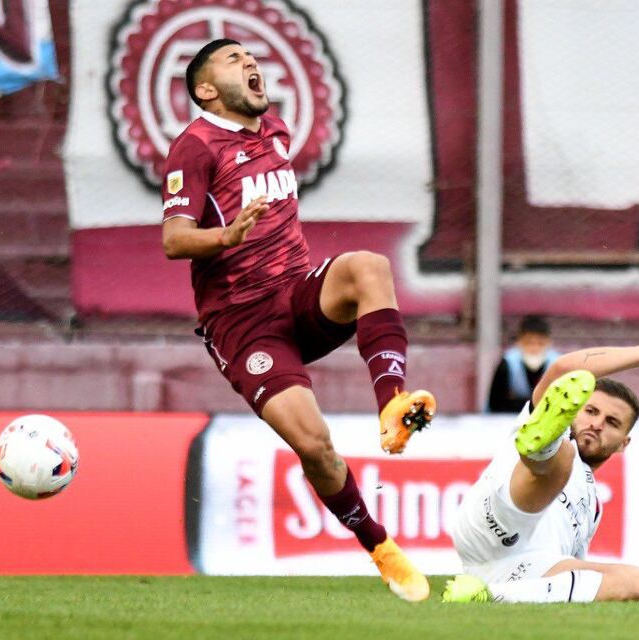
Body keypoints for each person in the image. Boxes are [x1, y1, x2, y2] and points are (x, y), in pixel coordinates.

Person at [160, 39, 435, 601]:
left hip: (296, 292)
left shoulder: (275, 131)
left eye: (252, 57)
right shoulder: (193, 147)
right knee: (315, 446)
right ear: (205, 89)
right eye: (233, 60)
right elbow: (173, 240)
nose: (251, 64)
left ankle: (393, 406)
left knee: (368, 266)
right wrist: (227, 236)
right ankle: (381, 547)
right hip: (242, 322)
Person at [444, 334, 639, 604]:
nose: (597, 424)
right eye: (590, 411)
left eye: (612, 422)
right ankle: (541, 450)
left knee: (635, 580)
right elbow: (561, 370)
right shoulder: (563, 438)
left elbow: (574, 577)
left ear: (623, 444)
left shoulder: (593, 507)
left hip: (522, 570)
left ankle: (486, 595)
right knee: (561, 454)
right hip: (494, 520)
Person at [487, 315, 560, 413]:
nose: (534, 348)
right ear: (519, 341)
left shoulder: (558, 363)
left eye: (540, 343)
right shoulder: (507, 363)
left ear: (548, 343)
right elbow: (496, 403)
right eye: (529, 342)